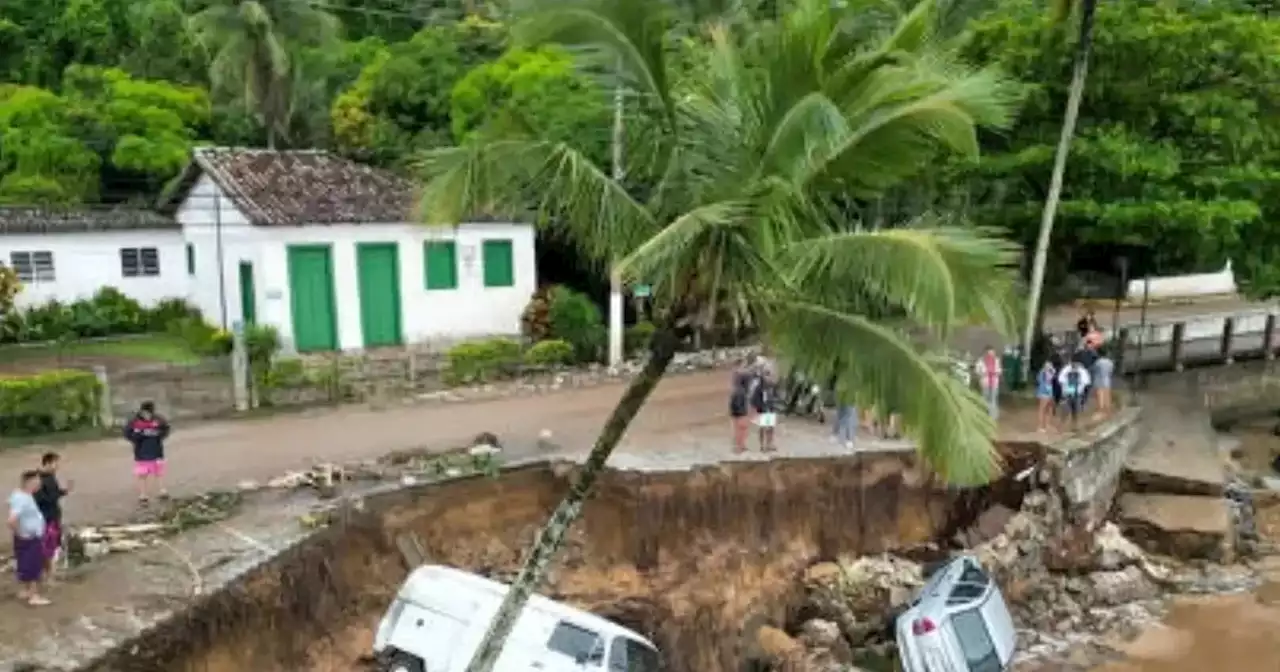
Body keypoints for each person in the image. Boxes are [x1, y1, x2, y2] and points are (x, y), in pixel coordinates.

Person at [8, 470, 49, 606]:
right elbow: (11, 520)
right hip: (28, 538)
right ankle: (34, 596)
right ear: (28, 482)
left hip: (26, 537)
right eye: (37, 482)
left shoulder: (21, 494)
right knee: (33, 565)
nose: (39, 485)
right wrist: (20, 533)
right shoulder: (22, 498)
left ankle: (26, 591)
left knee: (25, 564)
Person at [33, 452, 70, 584]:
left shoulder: (50, 477)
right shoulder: (40, 480)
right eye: (55, 463)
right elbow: (42, 499)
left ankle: (49, 574)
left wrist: (64, 491)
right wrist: (56, 495)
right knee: (49, 547)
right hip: (46, 518)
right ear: (47, 463)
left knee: (52, 545)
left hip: (53, 515)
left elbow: (53, 494)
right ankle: (49, 577)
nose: (57, 466)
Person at [124, 401, 171, 504]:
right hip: (141, 453)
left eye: (150, 413)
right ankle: (143, 494)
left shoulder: (158, 420)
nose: (147, 415)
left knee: (159, 472)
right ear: (141, 411)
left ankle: (162, 490)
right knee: (142, 474)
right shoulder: (134, 422)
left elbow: (166, 429)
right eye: (145, 412)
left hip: (156, 451)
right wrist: (137, 436)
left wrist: (158, 435)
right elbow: (127, 433)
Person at [729, 359, 756, 454]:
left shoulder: (735, 373)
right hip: (741, 398)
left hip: (733, 397)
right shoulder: (745, 374)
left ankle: (737, 445)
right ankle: (740, 446)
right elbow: (751, 376)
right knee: (743, 425)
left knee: (736, 424)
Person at [1058, 359, 1092, 430]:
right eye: (1073, 364)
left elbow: (1086, 383)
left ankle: (1074, 426)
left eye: (1076, 364)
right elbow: (1061, 380)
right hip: (1068, 392)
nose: (1075, 365)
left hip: (1077, 393)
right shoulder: (1066, 370)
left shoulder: (1082, 371)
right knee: (1066, 409)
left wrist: (1079, 386)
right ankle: (1061, 426)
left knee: (1076, 410)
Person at [750, 369, 778, 453]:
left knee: (771, 427)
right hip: (762, 410)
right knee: (762, 428)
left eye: (769, 376)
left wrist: (774, 404)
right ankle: (762, 445)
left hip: (770, 408)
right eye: (766, 376)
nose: (768, 378)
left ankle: (769, 444)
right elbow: (754, 400)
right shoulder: (759, 387)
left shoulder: (772, 386)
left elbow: (775, 396)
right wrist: (759, 407)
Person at [973, 346, 1002, 421]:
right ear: (985, 353)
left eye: (992, 353)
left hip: (994, 382)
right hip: (985, 382)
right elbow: (976, 371)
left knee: (993, 399)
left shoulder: (996, 360)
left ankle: (993, 416)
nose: (991, 354)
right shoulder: (981, 361)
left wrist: (996, 372)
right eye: (989, 353)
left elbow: (999, 370)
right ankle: (984, 415)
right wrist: (983, 373)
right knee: (985, 398)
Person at [1093, 348, 1116, 418]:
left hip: (1099, 380)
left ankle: (1101, 412)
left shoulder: (1098, 362)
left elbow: (1095, 370)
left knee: (1100, 397)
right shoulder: (1110, 362)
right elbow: (1111, 372)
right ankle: (1108, 412)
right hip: (1107, 380)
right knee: (1107, 397)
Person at [1035, 360, 1057, 433]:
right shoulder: (1042, 373)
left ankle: (1047, 425)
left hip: (1049, 393)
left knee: (1049, 409)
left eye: (1050, 365)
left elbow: (1053, 377)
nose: (1049, 367)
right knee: (1042, 409)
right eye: (1047, 366)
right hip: (1043, 393)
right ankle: (1040, 426)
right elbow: (1041, 381)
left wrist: (1052, 371)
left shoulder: (1050, 372)